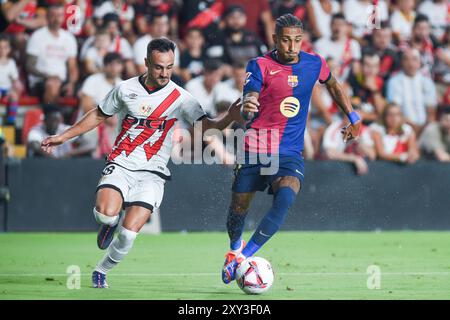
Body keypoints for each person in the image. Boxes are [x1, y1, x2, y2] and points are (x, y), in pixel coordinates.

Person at [41, 37, 242, 288]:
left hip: (153, 173)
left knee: (127, 236)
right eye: (159, 67)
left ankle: (101, 270)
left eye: (169, 67)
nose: (164, 73)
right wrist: (63, 136)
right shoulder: (126, 89)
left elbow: (206, 128)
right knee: (105, 215)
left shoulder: (182, 98)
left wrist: (229, 117)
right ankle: (109, 223)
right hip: (122, 163)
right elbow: (98, 115)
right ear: (146, 63)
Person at [221, 14, 361, 284]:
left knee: (286, 197)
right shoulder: (259, 64)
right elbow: (250, 92)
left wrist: (353, 116)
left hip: (288, 151)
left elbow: (332, 83)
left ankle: (242, 258)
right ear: (275, 39)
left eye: (297, 40)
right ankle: (234, 247)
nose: (292, 47)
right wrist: (249, 103)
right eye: (286, 40)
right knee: (239, 208)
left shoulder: (314, 63)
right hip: (255, 147)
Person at [26, 4, 79, 103]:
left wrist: (71, 84)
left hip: (61, 81)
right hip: (40, 80)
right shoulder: (37, 36)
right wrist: (47, 76)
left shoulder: (69, 38)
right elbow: (29, 66)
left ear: (63, 17)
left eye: (59, 15)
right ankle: (52, 113)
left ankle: (52, 114)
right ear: (47, 17)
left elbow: (73, 67)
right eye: (53, 15)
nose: (56, 19)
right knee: (52, 84)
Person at [386, 48, 437, 135]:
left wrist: (424, 129)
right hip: (403, 126)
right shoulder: (394, 82)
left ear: (419, 62)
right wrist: (414, 127)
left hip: (425, 128)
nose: (411, 64)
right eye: (406, 59)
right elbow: (395, 111)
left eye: (414, 59)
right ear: (402, 62)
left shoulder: (427, 82)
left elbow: (431, 112)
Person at [0, 34, 21, 126]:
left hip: (7, 89)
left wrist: (17, 86)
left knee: (14, 95)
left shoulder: (11, 63)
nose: (2, 50)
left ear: (9, 49)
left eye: (5, 47)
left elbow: (15, 79)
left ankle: (11, 121)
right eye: (0, 47)